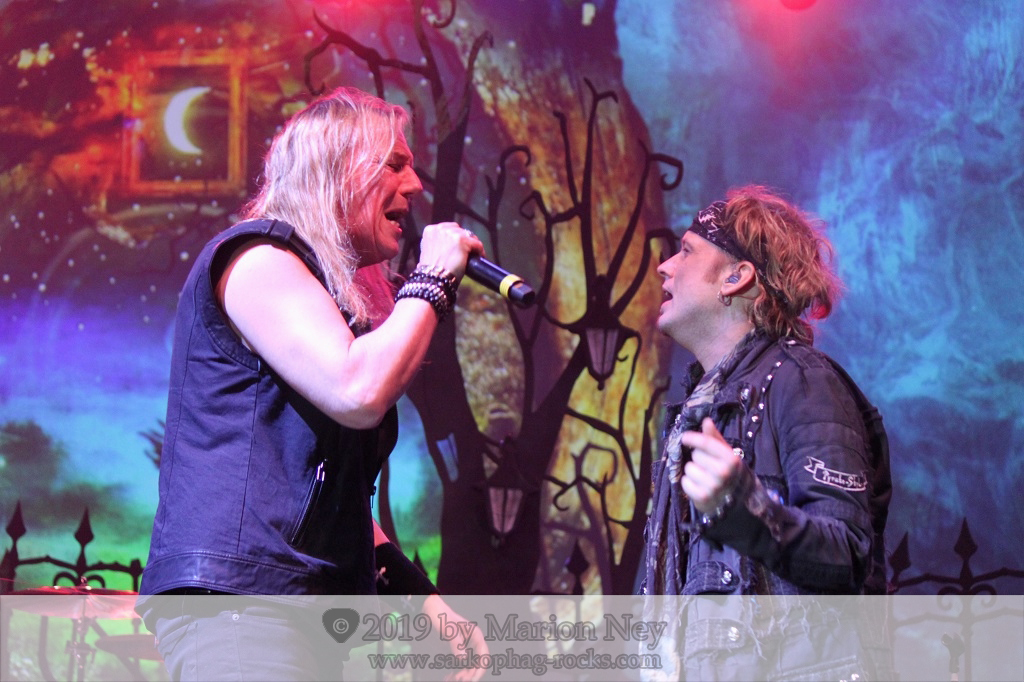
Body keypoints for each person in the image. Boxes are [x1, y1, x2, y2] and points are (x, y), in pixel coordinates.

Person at [136, 86, 487, 681]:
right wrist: (431, 279)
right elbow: (359, 389)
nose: (415, 186)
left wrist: (425, 604)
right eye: (395, 164)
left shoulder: (319, 301)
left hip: (294, 610)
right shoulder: (258, 258)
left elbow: (325, 496)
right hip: (242, 607)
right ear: (335, 169)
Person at [641, 186, 892, 679]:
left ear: (736, 276)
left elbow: (847, 552)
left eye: (687, 251)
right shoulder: (698, 410)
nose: (664, 267)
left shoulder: (804, 382)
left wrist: (748, 511)